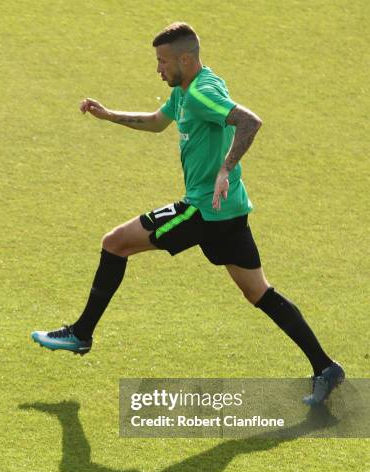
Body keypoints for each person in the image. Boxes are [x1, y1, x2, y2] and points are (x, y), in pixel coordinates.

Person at [32, 22, 344, 406]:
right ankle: (326, 367)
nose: (158, 69)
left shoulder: (201, 94)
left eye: (163, 61)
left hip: (201, 210)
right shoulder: (186, 91)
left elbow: (249, 121)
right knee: (258, 292)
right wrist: (108, 115)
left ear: (185, 58)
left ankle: (81, 333)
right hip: (228, 212)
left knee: (114, 244)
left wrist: (226, 168)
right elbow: (156, 122)